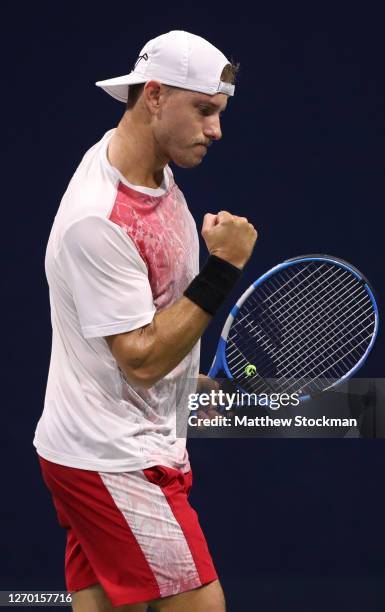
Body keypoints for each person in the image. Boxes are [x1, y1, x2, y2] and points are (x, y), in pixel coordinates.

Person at [33, 30, 257, 612]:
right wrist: (225, 266)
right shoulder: (97, 219)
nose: (216, 130)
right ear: (154, 95)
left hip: (100, 444)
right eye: (204, 111)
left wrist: (189, 381)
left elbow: (150, 330)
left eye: (219, 112)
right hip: (116, 459)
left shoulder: (151, 174)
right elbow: (139, 359)